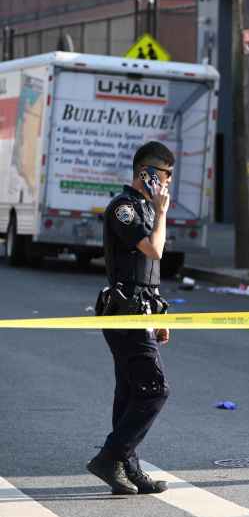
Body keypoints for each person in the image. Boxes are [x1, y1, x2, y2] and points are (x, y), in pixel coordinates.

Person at [86, 141, 175, 495]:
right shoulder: (123, 208)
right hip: (124, 312)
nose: (167, 184)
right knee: (154, 390)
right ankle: (110, 457)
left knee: (130, 391)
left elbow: (151, 267)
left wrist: (160, 314)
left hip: (142, 309)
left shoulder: (145, 207)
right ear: (146, 174)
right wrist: (162, 211)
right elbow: (153, 248)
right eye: (164, 176)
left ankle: (127, 468)